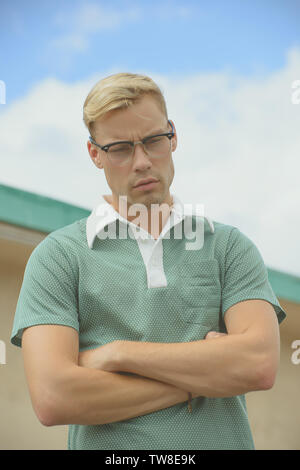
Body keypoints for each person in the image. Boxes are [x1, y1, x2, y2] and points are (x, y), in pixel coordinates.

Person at [11, 72, 287, 450]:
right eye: (120, 149)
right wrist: (204, 376)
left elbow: (257, 364)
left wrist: (117, 354)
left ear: (173, 136)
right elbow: (54, 397)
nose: (141, 161)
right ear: (94, 153)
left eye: (153, 141)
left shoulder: (229, 248)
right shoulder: (58, 259)